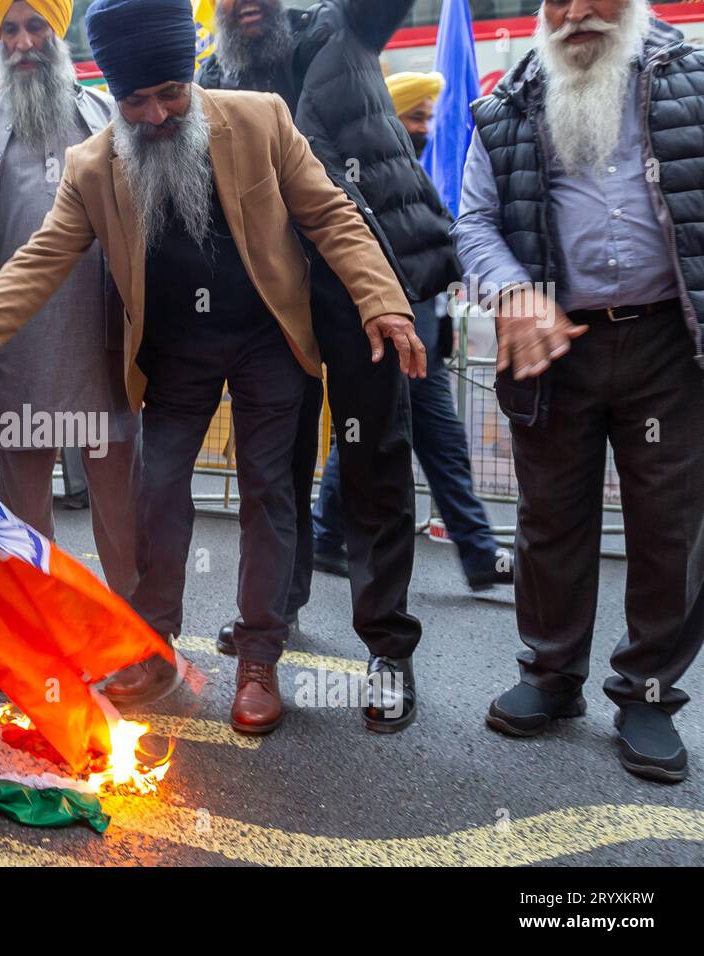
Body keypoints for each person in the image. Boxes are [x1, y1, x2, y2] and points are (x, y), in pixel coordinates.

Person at [0, 0, 424, 735]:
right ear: (114, 100)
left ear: (191, 76)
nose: (154, 116)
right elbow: (37, 262)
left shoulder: (260, 120)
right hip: (175, 353)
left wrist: (384, 302)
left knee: (268, 493)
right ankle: (152, 647)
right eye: (135, 102)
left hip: (267, 340)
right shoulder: (97, 164)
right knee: (155, 493)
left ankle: (258, 657)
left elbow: (331, 214)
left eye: (169, 96)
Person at [454, 0, 704, 783]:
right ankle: (550, 677)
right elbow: (474, 225)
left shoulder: (690, 80)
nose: (578, 13)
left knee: (670, 525)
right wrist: (511, 290)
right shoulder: (503, 106)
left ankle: (648, 692)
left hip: (669, 338)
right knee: (550, 515)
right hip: (554, 344)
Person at [197, 0, 464, 731]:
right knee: (274, 461)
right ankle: (274, 613)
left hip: (360, 285)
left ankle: (387, 649)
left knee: (374, 459)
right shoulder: (211, 74)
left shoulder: (339, 28)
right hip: (271, 298)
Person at [0, 0, 143, 605]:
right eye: (10, 30)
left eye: (36, 26)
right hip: (12, 343)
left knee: (119, 496)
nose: (22, 42)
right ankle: (40, 633)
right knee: (24, 503)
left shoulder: (106, 115)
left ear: (57, 32)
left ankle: (144, 631)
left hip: (99, 341)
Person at [301, 71, 511, 605]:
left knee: (366, 433)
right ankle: (479, 551)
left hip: (416, 331)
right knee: (425, 440)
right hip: (397, 330)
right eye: (415, 117)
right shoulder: (371, 175)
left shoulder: (401, 169)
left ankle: (327, 534)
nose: (423, 128)